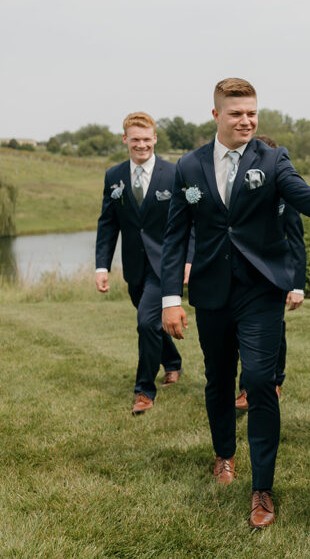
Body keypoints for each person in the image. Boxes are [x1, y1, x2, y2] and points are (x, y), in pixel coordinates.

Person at [160, 78, 310, 528]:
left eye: (252, 112)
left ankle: (262, 489)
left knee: (257, 379)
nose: (247, 120)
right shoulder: (189, 166)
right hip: (211, 292)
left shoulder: (273, 159)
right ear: (216, 116)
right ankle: (224, 455)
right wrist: (171, 298)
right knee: (218, 379)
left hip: (260, 290)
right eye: (237, 113)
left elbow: (306, 199)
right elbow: (175, 236)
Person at [94, 112, 191, 415]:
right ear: (125, 139)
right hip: (134, 266)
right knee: (151, 323)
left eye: (147, 139)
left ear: (155, 139)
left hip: (167, 264)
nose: (141, 145)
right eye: (135, 139)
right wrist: (101, 267)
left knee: (146, 323)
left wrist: (189, 260)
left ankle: (144, 391)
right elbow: (108, 224)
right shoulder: (114, 176)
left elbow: (193, 222)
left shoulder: (175, 173)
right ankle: (172, 362)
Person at [234, 134, 305, 410]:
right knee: (243, 335)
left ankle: (275, 380)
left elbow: (297, 240)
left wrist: (297, 286)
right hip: (241, 278)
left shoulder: (285, 196)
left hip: (275, 275)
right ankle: (246, 388)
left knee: (276, 331)